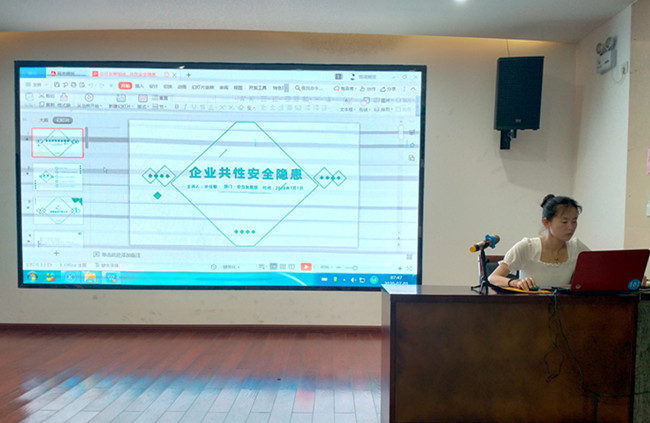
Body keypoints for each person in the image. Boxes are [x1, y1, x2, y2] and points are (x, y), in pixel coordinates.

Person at [488, 194, 589, 290]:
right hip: (530, 302)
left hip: (562, 302)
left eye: (574, 221)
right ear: (546, 222)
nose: (571, 227)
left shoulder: (577, 247)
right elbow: (493, 277)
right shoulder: (527, 247)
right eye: (564, 222)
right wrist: (515, 282)